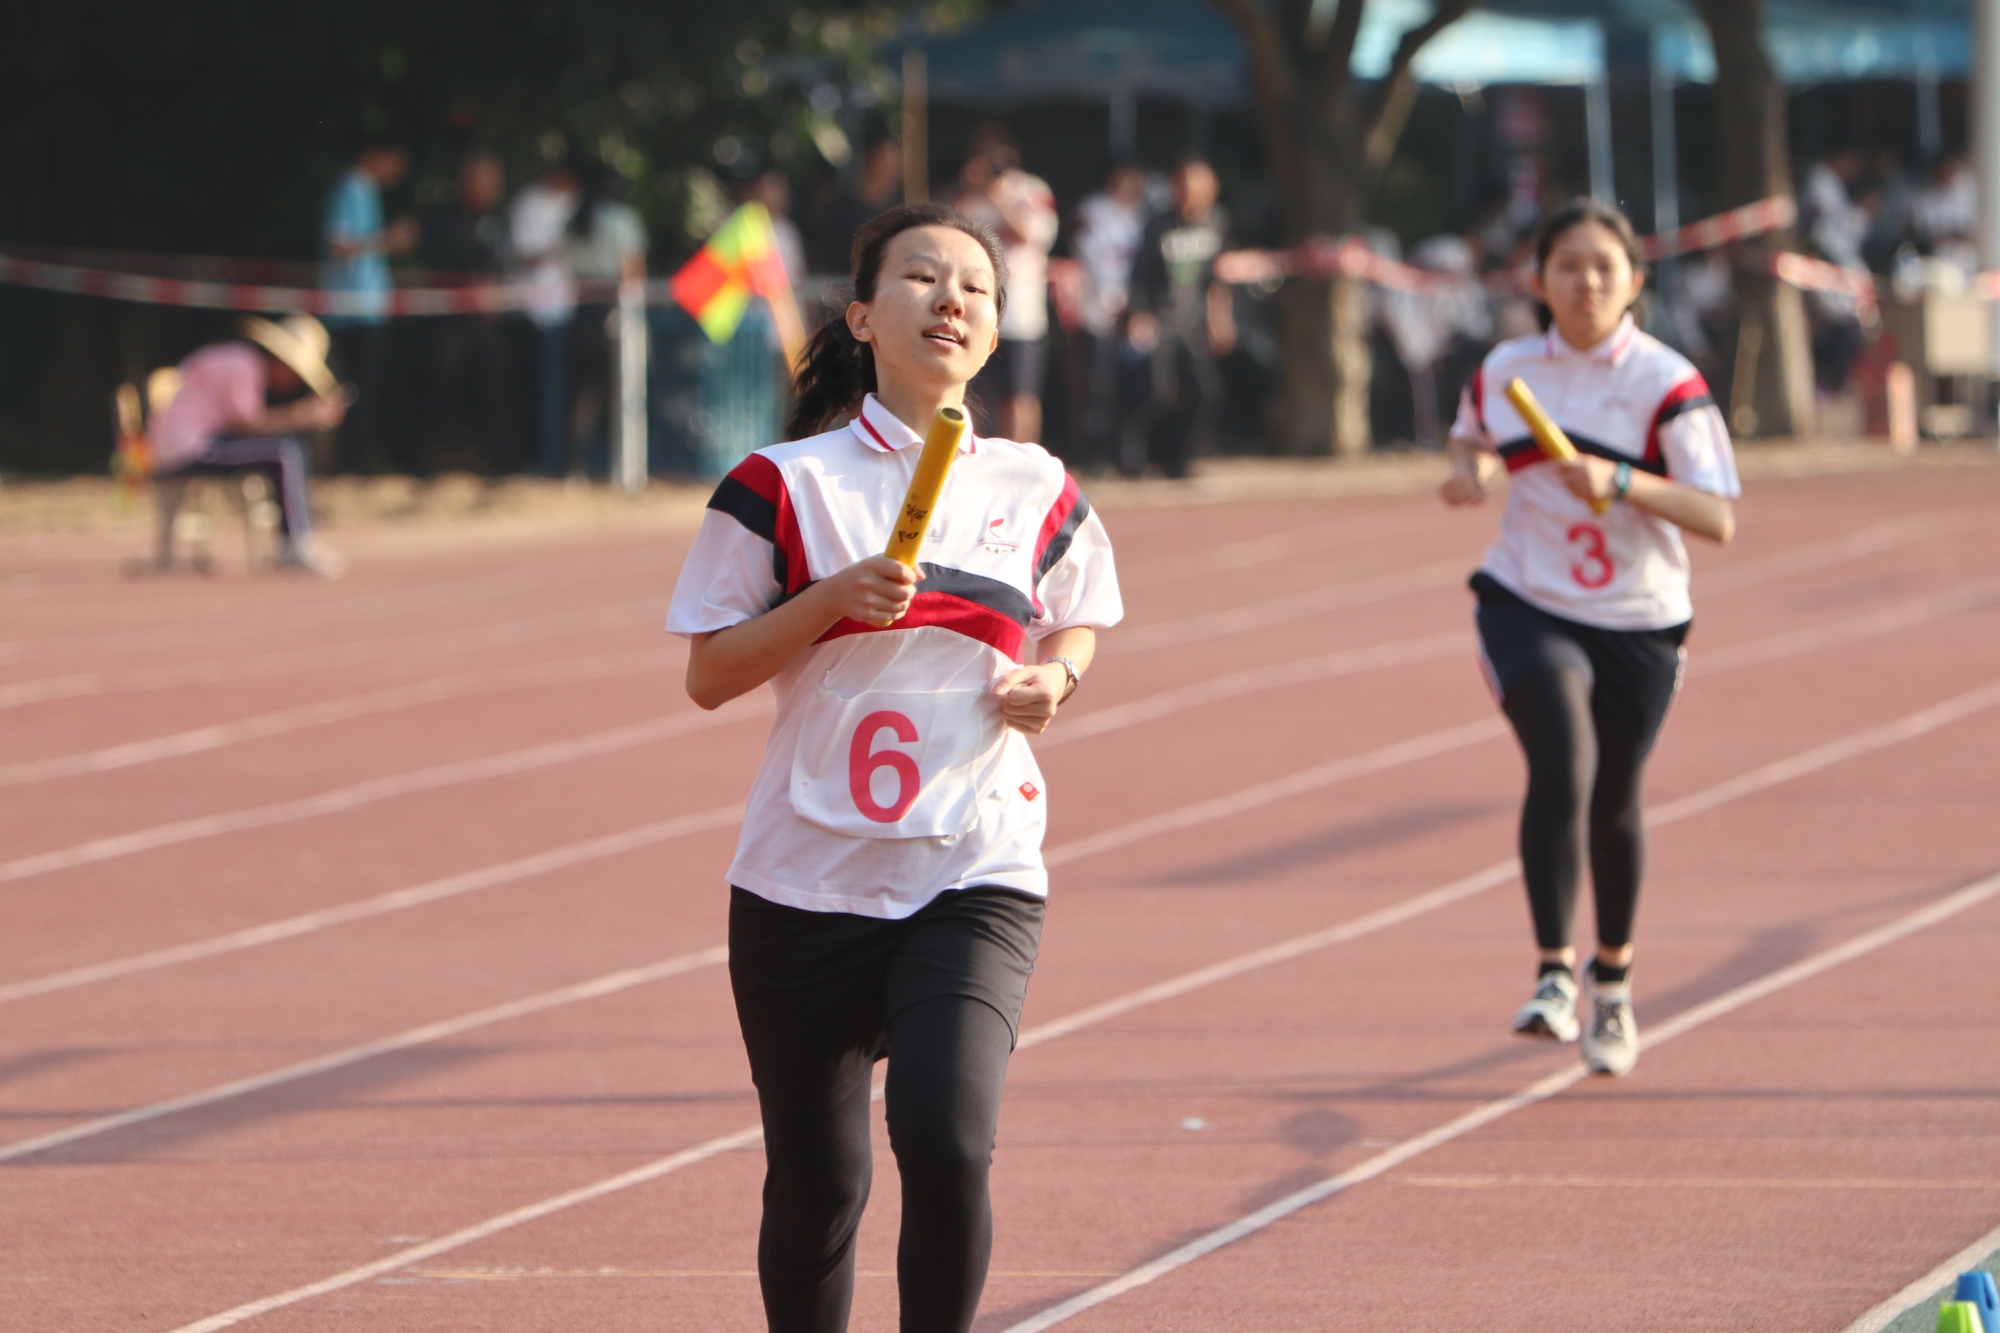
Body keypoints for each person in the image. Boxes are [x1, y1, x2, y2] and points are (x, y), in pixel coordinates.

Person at [665, 201, 1121, 1333]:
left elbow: (1077, 618)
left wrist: (1057, 679)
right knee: (819, 1187)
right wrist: (827, 600)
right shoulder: (782, 484)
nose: (950, 299)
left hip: (974, 866)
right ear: (862, 317)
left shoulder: (1033, 484)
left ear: (996, 331)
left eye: (976, 287)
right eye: (920, 277)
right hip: (804, 879)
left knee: (946, 1136)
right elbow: (710, 673)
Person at [1440, 198, 1739, 1077]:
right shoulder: (1506, 370)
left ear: (1635, 281)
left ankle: (1613, 981)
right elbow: (1471, 440)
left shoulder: (1667, 383)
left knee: (1613, 795)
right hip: (1528, 598)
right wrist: (1470, 474)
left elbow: (1717, 517)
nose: (1586, 283)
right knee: (1563, 760)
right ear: (1538, 280)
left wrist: (1623, 481)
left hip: (1640, 617)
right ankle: (1552, 974)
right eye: (1567, 266)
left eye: (1604, 267)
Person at [146, 314, 349, 576]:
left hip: (174, 447)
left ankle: (295, 540)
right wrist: (302, 415)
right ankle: (295, 544)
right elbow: (247, 426)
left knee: (284, 448)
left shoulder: (233, 357)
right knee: (285, 451)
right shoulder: (245, 366)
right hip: (191, 450)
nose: (295, 382)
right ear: (283, 361)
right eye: (297, 374)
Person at [1124, 157, 1235, 478]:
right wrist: (1138, 314)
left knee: (1206, 391)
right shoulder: (1158, 225)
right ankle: (1131, 457)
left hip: (1194, 323)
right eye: (1182, 185)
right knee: (1156, 393)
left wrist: (1220, 319)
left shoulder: (1217, 222)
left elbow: (1217, 278)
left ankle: (1178, 458)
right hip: (1160, 321)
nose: (1188, 192)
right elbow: (1139, 274)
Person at [953, 126, 1058, 442]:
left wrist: (997, 195)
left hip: (1021, 314)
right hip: (975, 309)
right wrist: (970, 188)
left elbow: (1033, 234)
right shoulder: (970, 195)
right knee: (972, 392)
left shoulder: (1032, 190)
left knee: (1020, 394)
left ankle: (1022, 457)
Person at [321, 136, 417, 473]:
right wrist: (387, 240)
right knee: (358, 391)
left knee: (370, 390)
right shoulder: (350, 189)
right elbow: (339, 246)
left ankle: (357, 461)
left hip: (369, 309)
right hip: (354, 311)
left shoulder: (366, 191)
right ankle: (351, 464)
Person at [417, 147, 512, 475]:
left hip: (486, 324)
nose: (494, 187)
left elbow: (500, 266)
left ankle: (499, 463)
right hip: (449, 323)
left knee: (495, 389)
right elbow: (437, 272)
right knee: (437, 389)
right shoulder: (442, 220)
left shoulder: (497, 221)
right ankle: (424, 462)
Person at [560, 161, 649, 478]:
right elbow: (633, 271)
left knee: (580, 394)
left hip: (580, 313)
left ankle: (575, 466)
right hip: (613, 311)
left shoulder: (572, 220)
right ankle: (619, 467)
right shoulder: (623, 219)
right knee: (621, 393)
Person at [1067, 161, 1148, 472]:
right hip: (1096, 311)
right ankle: (1090, 453)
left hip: (1130, 314)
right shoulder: (1094, 211)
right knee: (1095, 387)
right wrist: (1108, 300)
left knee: (1127, 384)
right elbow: (1089, 259)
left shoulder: (1139, 216)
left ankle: (1123, 452)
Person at [510, 156, 580, 476]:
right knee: (533, 392)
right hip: (534, 312)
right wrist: (558, 250)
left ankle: (563, 459)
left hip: (568, 311)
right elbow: (522, 255)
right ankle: (533, 458)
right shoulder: (528, 203)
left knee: (565, 393)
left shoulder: (575, 202)